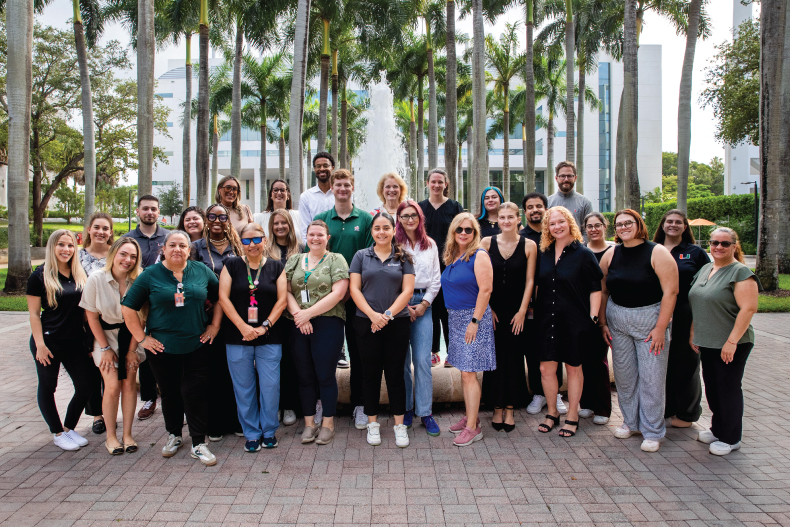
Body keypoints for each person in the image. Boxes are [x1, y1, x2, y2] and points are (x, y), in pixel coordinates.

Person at [121, 230, 223, 466]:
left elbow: (220, 298)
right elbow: (128, 308)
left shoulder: (201, 271)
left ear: (189, 250)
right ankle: (174, 435)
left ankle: (198, 442)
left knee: (194, 392)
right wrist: (142, 338)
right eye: (172, 245)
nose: (177, 249)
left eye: (182, 245)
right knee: (169, 392)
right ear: (163, 249)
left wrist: (215, 326)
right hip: (161, 347)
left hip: (197, 343)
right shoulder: (150, 275)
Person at [599, 209, 679, 453]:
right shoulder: (611, 253)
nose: (623, 227)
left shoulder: (657, 252)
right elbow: (603, 290)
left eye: (628, 223)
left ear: (639, 224)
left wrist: (660, 328)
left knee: (652, 378)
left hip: (649, 321)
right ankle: (631, 422)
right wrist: (603, 322)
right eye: (619, 224)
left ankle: (653, 431)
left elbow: (670, 292)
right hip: (618, 321)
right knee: (625, 377)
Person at [689, 228, 760, 456]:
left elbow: (748, 308)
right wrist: (693, 332)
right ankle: (718, 429)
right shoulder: (706, 268)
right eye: (714, 242)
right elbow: (697, 303)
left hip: (732, 343)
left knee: (727, 389)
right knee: (713, 387)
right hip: (708, 341)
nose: (718, 247)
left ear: (734, 246)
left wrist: (731, 341)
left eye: (725, 243)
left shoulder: (740, 272)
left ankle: (731, 438)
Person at [534, 207, 602, 438]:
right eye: (552, 224)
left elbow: (595, 288)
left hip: (575, 321)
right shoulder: (543, 253)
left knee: (574, 368)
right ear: (547, 228)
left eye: (561, 222)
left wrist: (592, 318)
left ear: (569, 223)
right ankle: (552, 412)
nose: (557, 227)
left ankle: (573, 414)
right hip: (546, 320)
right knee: (546, 369)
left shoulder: (583, 254)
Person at [218, 223, 287, 451]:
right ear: (241, 243)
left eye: (256, 239)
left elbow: (282, 300)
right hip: (238, 337)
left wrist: (265, 326)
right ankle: (251, 433)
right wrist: (242, 327)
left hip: (269, 335)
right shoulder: (232, 264)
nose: (252, 245)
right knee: (244, 387)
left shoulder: (277, 267)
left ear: (264, 240)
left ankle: (269, 431)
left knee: (271, 386)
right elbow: (223, 298)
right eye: (246, 241)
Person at [313, 169, 374, 429]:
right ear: (333, 187)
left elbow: (369, 256)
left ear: (352, 187)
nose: (342, 188)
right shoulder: (322, 219)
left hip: (357, 297)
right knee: (325, 354)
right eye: (338, 184)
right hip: (328, 300)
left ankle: (360, 405)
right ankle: (321, 404)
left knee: (359, 354)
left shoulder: (367, 219)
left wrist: (352, 289)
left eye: (346, 184)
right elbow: (314, 257)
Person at [349, 212, 415, 448]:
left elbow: (407, 291)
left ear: (393, 230)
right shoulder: (360, 256)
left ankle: (399, 426)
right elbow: (354, 290)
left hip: (396, 322)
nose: (381, 232)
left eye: (386, 228)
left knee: (396, 374)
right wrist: (372, 316)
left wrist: (386, 316)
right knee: (370, 374)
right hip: (366, 322)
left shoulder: (404, 256)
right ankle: (373, 424)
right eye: (377, 228)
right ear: (372, 231)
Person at [80, 237, 147, 455]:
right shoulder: (96, 279)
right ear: (114, 255)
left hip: (131, 336)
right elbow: (91, 317)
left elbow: (142, 319)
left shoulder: (139, 280)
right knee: (112, 385)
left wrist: (131, 351)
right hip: (104, 337)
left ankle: (127, 434)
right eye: (123, 254)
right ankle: (111, 437)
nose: (127, 260)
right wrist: (105, 349)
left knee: (129, 384)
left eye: (133, 256)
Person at [26, 230, 91, 451]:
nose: (66, 249)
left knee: (85, 385)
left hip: (75, 341)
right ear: (52, 247)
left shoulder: (79, 274)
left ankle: (69, 428)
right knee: (48, 386)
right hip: (49, 341)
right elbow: (34, 314)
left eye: (71, 245)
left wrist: (89, 342)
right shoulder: (39, 276)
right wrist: (40, 345)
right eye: (61, 245)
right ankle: (57, 432)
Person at [286, 221, 349, 445]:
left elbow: (339, 292)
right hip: (298, 324)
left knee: (325, 375)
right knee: (305, 377)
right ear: (306, 236)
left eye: (320, 235)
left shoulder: (336, 259)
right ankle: (309, 424)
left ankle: (328, 424)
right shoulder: (294, 260)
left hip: (328, 323)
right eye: (311, 234)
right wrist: (298, 315)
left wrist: (308, 314)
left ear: (327, 237)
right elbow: (284, 290)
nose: (315, 238)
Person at [481, 202, 536, 431]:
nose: (505, 221)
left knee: (513, 359)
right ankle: (496, 407)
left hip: (517, 311)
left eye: (510, 217)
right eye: (502, 218)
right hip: (492, 310)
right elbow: (480, 279)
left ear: (517, 218)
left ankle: (511, 408)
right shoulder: (486, 242)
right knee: (493, 360)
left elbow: (530, 281)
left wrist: (523, 311)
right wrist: (487, 309)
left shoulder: (529, 245)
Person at [191, 203, 243, 441]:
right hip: (207, 317)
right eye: (211, 216)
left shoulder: (238, 246)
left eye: (222, 216)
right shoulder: (196, 248)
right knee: (211, 372)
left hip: (235, 317)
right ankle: (213, 424)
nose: (217, 220)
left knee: (234, 372)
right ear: (206, 219)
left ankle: (234, 420)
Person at [653, 209, 710, 429]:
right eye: (669, 221)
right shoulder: (653, 249)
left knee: (686, 363)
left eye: (679, 222)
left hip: (685, 314)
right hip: (656, 314)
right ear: (663, 224)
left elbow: (705, 285)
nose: (673, 225)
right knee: (660, 364)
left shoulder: (695, 252)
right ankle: (665, 409)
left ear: (685, 227)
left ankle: (687, 413)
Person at [442, 213, 495, 447]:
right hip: (455, 318)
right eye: (459, 229)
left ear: (475, 233)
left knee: (469, 373)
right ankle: (469, 416)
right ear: (453, 232)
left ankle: (473, 427)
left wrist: (474, 321)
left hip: (473, 319)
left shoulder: (479, 255)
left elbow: (486, 290)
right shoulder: (453, 255)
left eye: (469, 230)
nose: (464, 233)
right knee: (465, 371)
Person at [395, 200, 442, 436]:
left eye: (413, 215)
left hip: (424, 303)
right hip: (400, 305)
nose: (410, 219)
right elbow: (392, 279)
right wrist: (405, 306)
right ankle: (406, 410)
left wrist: (423, 305)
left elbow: (436, 279)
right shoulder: (395, 245)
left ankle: (425, 412)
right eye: (405, 216)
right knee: (403, 361)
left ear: (420, 217)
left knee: (423, 360)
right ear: (399, 220)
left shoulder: (430, 244)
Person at [520, 193, 566, 416]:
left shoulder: (556, 235)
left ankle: (556, 394)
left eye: (539, 206)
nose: (535, 210)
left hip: (554, 304)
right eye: (530, 207)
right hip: (530, 305)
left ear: (546, 209)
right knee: (532, 349)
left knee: (556, 350)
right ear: (525, 212)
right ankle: (538, 393)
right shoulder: (522, 238)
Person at [126, 194, 169, 420]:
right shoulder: (128, 239)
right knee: (145, 349)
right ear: (138, 211)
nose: (149, 212)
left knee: (162, 348)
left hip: (163, 302)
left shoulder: (169, 237)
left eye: (153, 209)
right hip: (136, 302)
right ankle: (149, 398)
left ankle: (169, 395)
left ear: (158, 212)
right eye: (145, 209)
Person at [418, 169, 464, 368]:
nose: (436, 185)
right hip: (426, 266)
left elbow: (463, 234)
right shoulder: (420, 208)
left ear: (446, 184)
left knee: (448, 310)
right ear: (427, 183)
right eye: (433, 181)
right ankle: (433, 351)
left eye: (440, 182)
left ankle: (453, 352)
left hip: (450, 266)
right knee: (432, 309)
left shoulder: (454, 207)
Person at [265, 209, 307, 426]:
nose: (280, 226)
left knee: (292, 359)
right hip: (272, 312)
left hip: (294, 313)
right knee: (273, 361)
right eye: (276, 223)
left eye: (284, 223)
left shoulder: (300, 249)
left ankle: (290, 404)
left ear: (290, 225)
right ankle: (275, 405)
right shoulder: (264, 250)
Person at [79, 212, 114, 435]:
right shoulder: (77, 257)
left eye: (105, 228)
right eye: (97, 227)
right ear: (89, 230)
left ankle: (110, 412)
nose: (100, 232)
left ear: (111, 233)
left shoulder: (115, 255)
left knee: (109, 369)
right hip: (81, 322)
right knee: (89, 372)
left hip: (108, 320)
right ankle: (97, 415)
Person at [580, 212, 615, 425]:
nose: (593, 229)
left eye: (597, 225)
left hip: (606, 312)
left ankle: (602, 407)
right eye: (589, 226)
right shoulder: (581, 251)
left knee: (600, 360)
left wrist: (603, 319)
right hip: (584, 312)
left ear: (604, 226)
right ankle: (586, 403)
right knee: (583, 359)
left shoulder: (614, 251)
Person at [547, 161, 592, 233]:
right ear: (556, 178)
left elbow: (587, 231)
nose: (566, 179)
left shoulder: (585, 203)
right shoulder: (548, 202)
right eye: (562, 176)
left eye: (570, 176)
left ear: (575, 178)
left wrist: (578, 244)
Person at [299, 152, 336, 239]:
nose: (322, 169)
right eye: (318, 166)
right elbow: (304, 229)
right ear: (314, 169)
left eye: (325, 165)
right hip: (315, 246)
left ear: (332, 168)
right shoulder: (306, 197)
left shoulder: (340, 194)